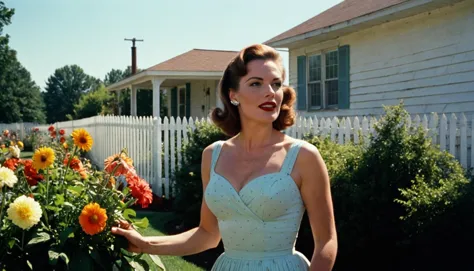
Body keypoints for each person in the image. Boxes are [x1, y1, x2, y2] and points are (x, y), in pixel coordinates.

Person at [111, 44, 338, 271]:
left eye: (276, 84)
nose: (270, 91)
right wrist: (145, 243)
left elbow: (326, 242)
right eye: (256, 83)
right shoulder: (213, 155)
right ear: (233, 95)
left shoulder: (303, 156)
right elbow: (207, 234)